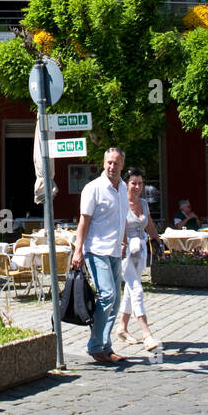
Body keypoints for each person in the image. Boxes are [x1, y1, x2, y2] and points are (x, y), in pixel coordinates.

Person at [71, 148, 129, 365]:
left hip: (114, 251)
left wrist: (123, 242)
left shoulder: (122, 188)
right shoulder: (93, 188)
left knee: (115, 302)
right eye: (108, 163)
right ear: (104, 164)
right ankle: (95, 346)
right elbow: (83, 222)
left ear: (122, 165)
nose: (112, 167)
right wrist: (78, 250)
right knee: (107, 296)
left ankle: (105, 346)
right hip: (96, 250)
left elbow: (122, 218)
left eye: (116, 163)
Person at [114, 167, 161, 351]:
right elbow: (119, 227)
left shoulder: (143, 202)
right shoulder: (121, 203)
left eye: (140, 183)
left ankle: (122, 327)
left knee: (130, 291)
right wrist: (124, 243)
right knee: (137, 290)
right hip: (124, 250)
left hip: (140, 250)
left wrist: (158, 242)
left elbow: (149, 224)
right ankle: (146, 333)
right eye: (134, 183)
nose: (137, 186)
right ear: (126, 184)